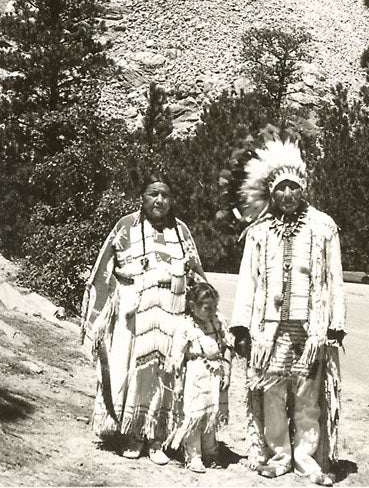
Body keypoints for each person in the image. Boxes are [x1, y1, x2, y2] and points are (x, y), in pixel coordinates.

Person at [230, 137, 346, 486]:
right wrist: (241, 326)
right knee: (272, 394)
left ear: (303, 188)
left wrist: (335, 322)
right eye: (281, 188)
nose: (288, 195)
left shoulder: (323, 227)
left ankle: (307, 460)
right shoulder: (259, 231)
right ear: (271, 192)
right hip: (269, 331)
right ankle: (278, 456)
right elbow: (248, 280)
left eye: (294, 187)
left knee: (308, 398)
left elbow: (334, 277)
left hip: (310, 331)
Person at [80, 172, 207, 465]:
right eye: (153, 194)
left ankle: (157, 438)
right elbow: (103, 270)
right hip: (133, 313)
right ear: (142, 197)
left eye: (165, 195)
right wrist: (98, 317)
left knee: (165, 373)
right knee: (134, 371)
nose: (159, 200)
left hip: (171, 312)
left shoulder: (181, 231)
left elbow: (196, 273)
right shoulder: (126, 226)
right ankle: (133, 434)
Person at [165, 282, 234, 473]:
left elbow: (228, 346)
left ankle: (211, 452)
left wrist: (227, 372)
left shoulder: (218, 322)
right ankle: (193, 455)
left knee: (212, 413)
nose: (212, 311)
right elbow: (177, 358)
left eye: (215, 307)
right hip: (196, 373)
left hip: (216, 373)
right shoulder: (186, 327)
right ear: (192, 305)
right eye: (206, 308)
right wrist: (178, 384)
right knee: (195, 414)